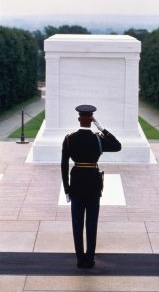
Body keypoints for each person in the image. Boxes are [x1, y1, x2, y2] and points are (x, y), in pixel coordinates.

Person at [61, 104, 121, 268]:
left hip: (77, 183)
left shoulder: (69, 138)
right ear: (91, 120)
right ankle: (91, 259)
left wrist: (66, 189)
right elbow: (117, 146)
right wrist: (101, 127)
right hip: (94, 184)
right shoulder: (98, 138)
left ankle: (80, 259)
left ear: (79, 119)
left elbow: (64, 165)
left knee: (77, 223)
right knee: (92, 223)